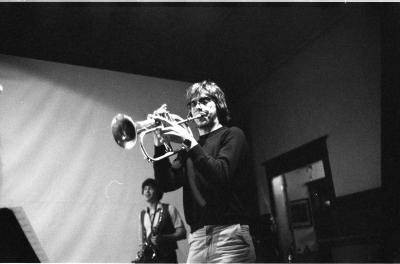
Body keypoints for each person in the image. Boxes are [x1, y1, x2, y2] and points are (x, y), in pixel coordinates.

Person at [152, 80, 257, 263]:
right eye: (193, 103)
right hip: (198, 240)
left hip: (230, 237)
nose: (197, 107)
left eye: (204, 100)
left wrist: (189, 142)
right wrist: (159, 145)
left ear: (218, 104)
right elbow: (166, 184)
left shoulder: (232, 135)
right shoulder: (190, 149)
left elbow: (220, 174)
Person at [133, 178, 186, 263]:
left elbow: (182, 233)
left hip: (167, 258)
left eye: (150, 188)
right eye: (145, 189)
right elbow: (142, 242)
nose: (147, 191)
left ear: (157, 191)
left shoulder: (170, 209)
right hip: (149, 259)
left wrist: (165, 238)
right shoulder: (142, 214)